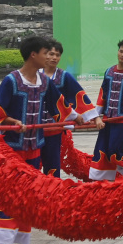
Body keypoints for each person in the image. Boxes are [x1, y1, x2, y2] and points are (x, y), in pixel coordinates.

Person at [0, 35, 68, 244]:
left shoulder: (44, 82)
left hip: (35, 150)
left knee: (27, 195)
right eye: (46, 53)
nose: (49, 57)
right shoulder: (12, 81)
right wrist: (11, 120)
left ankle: (14, 240)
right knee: (8, 194)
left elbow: (58, 105)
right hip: (12, 150)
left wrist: (81, 117)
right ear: (33, 55)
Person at [40, 40, 104, 176]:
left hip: (54, 129)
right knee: (31, 165)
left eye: (57, 55)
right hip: (34, 129)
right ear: (44, 54)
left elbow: (79, 96)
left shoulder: (64, 77)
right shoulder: (34, 75)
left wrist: (95, 117)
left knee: (52, 165)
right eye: (51, 54)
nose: (54, 58)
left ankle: (53, 192)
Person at [90, 39, 123, 181]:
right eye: (121, 51)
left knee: (114, 149)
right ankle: (110, 179)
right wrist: (96, 115)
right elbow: (102, 95)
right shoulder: (109, 71)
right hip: (108, 118)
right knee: (104, 148)